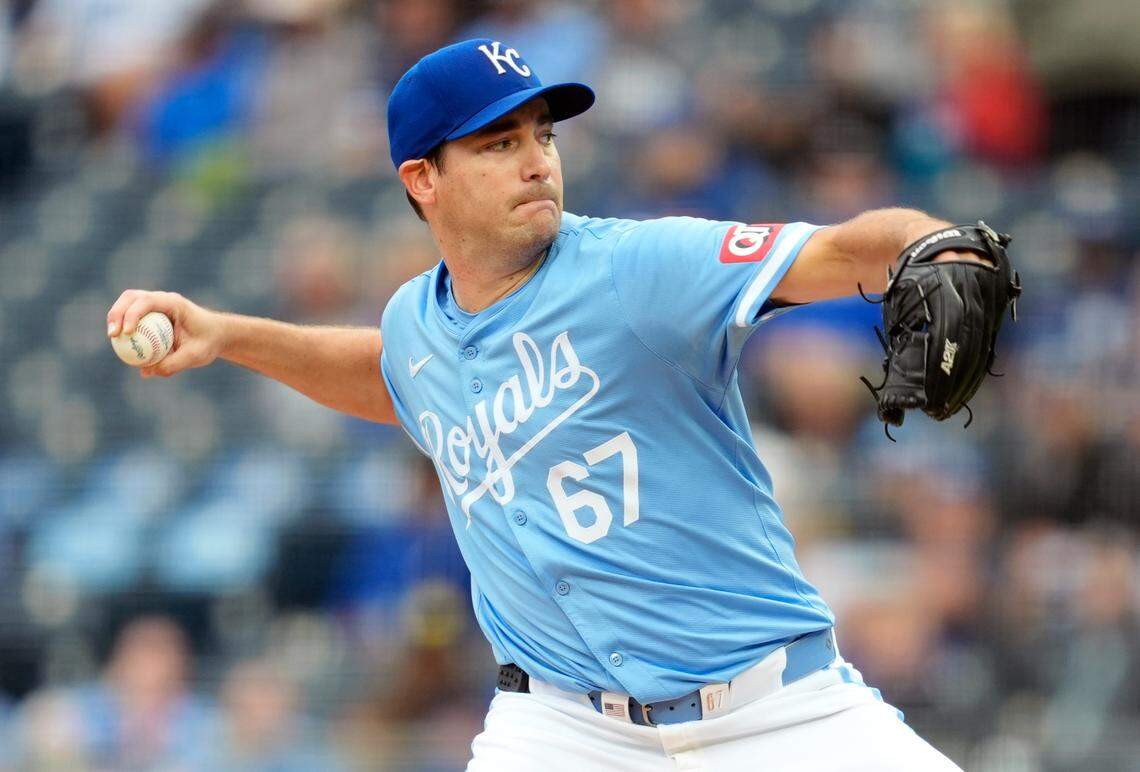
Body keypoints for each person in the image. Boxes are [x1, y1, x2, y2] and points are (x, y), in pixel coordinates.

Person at [105, 38, 989, 769]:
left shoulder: (638, 271)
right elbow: (393, 375)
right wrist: (227, 334)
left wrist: (937, 248)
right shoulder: (417, 324)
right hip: (564, 731)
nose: (535, 161)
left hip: (771, 712)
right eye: (497, 144)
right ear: (423, 178)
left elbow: (837, 250)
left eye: (542, 134)